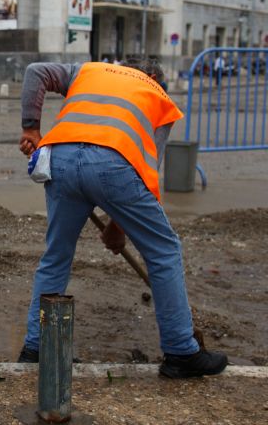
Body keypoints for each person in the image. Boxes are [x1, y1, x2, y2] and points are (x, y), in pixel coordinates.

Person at [17, 59, 227, 379]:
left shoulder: (87, 70)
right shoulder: (158, 96)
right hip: (113, 164)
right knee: (163, 251)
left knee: (56, 255)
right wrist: (119, 227)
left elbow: (35, 72)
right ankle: (182, 351)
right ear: (155, 77)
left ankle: (37, 348)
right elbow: (144, 174)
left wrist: (31, 127)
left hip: (60, 157)